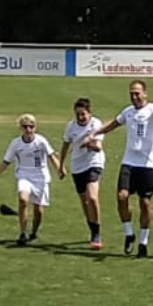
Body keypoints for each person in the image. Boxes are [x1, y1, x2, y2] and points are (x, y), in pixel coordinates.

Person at [84, 79, 153, 257]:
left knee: (144, 203)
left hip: (150, 164)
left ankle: (143, 242)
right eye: (132, 93)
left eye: (137, 93)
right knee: (122, 196)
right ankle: (129, 234)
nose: (134, 96)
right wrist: (95, 133)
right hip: (129, 162)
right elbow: (114, 123)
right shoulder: (128, 112)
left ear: (145, 94)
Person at [0, 114, 65, 246]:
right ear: (20, 128)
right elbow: (6, 161)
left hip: (40, 177)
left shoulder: (41, 141)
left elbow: (51, 156)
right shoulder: (16, 144)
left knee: (38, 210)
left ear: (35, 127)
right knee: (23, 199)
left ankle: (33, 232)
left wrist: (59, 169)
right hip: (24, 176)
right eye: (25, 127)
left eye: (31, 126)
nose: (28, 130)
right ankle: (22, 233)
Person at [58, 97, 105, 250]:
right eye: (78, 114)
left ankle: (97, 233)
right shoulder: (71, 127)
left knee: (92, 197)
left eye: (83, 114)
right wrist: (61, 165)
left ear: (89, 113)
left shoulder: (95, 124)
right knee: (84, 202)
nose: (80, 117)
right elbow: (65, 146)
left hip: (94, 163)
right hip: (77, 165)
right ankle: (92, 227)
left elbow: (98, 147)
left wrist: (88, 143)